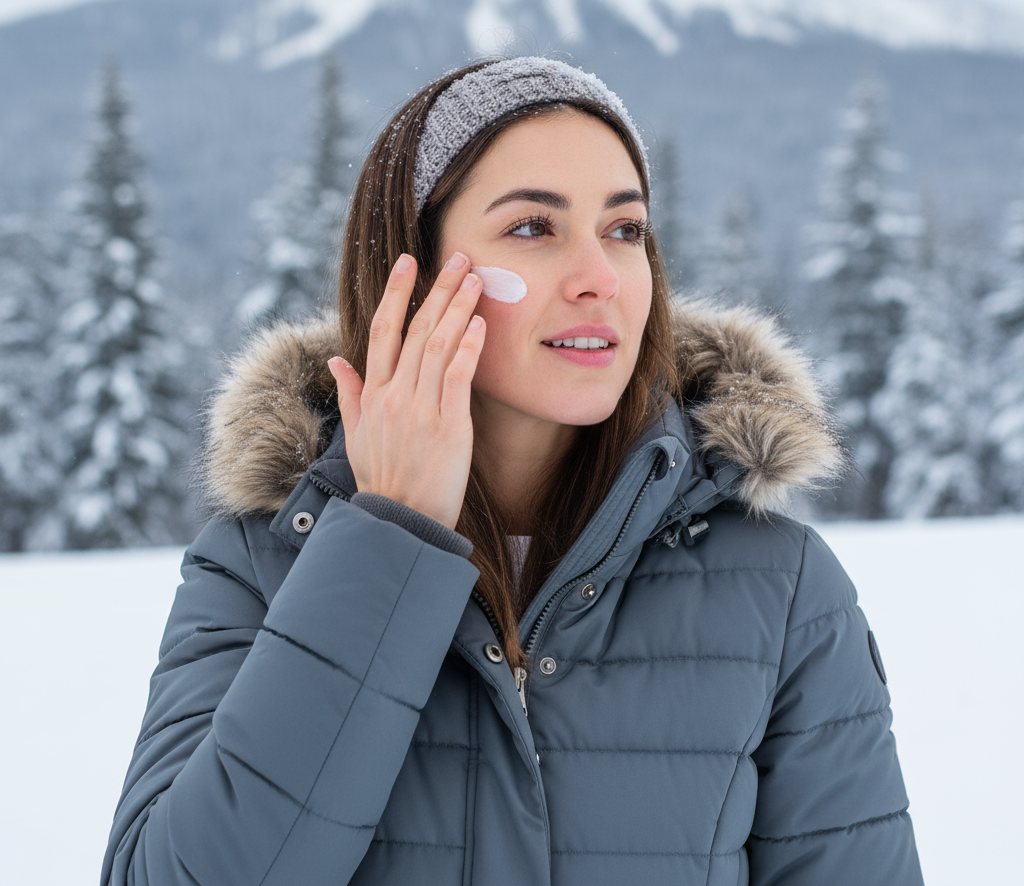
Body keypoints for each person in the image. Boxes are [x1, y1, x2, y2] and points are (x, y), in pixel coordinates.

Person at [102, 57, 924, 885]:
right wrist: (385, 539)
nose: (599, 279)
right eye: (533, 228)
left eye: (625, 229)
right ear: (410, 271)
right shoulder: (262, 563)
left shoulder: (780, 590)